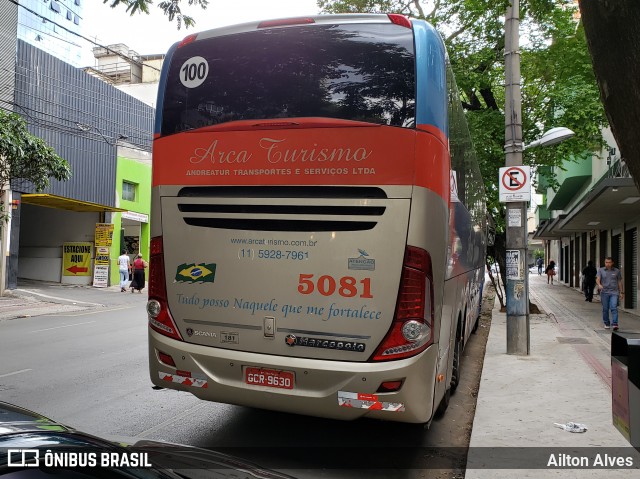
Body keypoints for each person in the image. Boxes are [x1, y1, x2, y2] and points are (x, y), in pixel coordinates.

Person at [596, 257, 624, 331]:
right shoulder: (601, 270)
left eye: (609, 262)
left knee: (614, 307)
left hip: (614, 292)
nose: (608, 264)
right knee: (605, 309)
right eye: (606, 262)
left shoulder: (617, 271)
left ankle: (615, 324)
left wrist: (621, 292)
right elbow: (598, 279)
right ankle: (606, 323)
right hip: (604, 292)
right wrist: (599, 284)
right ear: (604, 263)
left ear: (612, 263)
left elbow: (619, 282)